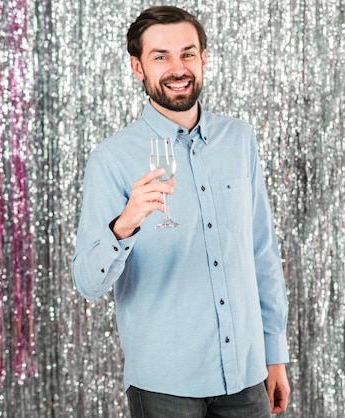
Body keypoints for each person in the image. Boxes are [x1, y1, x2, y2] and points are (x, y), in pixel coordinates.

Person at [72, 6, 290, 417]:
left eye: (188, 54)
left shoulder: (239, 139)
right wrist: (124, 225)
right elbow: (86, 281)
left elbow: (261, 252)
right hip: (164, 386)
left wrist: (273, 352)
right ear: (138, 68)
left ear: (204, 59)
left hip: (245, 375)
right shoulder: (112, 158)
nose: (178, 68)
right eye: (161, 57)